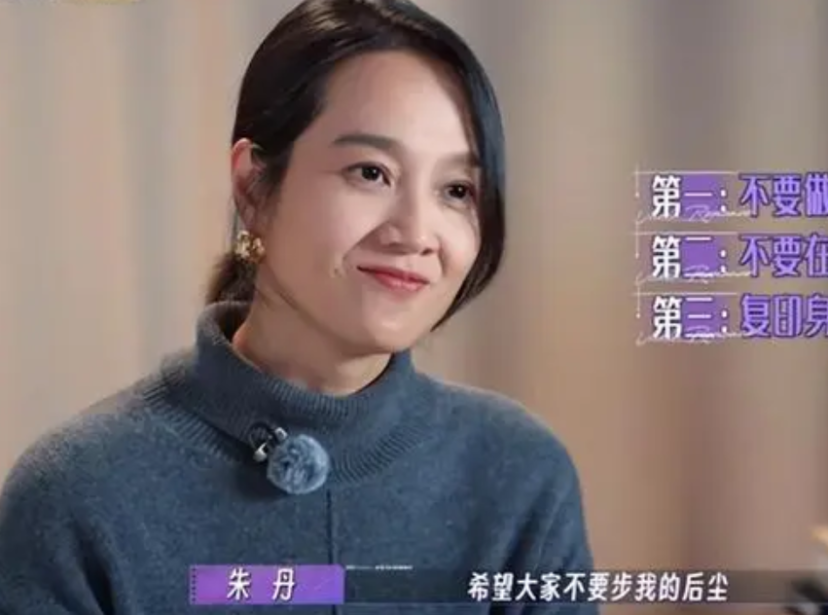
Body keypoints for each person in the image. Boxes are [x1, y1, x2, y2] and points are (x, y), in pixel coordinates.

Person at [0, 0, 595, 612]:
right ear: (253, 187)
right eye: (370, 172)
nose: (417, 232)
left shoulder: (518, 475)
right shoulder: (77, 496)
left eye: (456, 190)